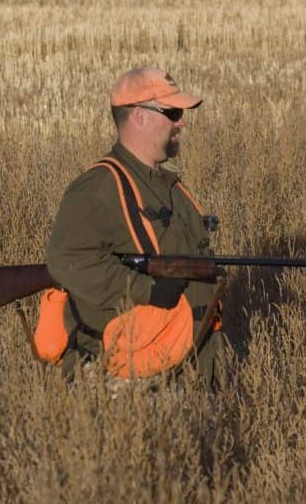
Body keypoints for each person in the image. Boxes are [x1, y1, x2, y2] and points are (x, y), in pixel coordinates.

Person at [45, 66, 220, 382]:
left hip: (182, 366)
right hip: (126, 378)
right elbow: (69, 260)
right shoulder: (99, 187)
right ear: (140, 116)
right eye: (173, 112)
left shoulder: (169, 187)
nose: (181, 122)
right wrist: (147, 289)